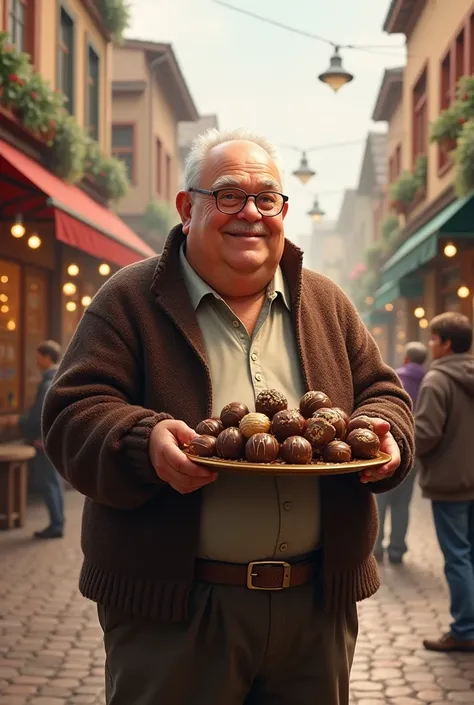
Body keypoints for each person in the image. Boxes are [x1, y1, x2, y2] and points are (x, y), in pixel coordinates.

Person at [42, 128, 414, 705]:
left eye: (267, 198)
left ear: (283, 211)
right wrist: (145, 441)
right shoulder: (129, 298)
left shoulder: (325, 300)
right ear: (187, 208)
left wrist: (387, 441)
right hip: (175, 611)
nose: (251, 213)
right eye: (229, 195)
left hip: (315, 610)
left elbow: (383, 393)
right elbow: (72, 413)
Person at [415, 312, 474, 652]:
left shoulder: (437, 381)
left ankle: (465, 629)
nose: (430, 344)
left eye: (434, 339)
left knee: (458, 557)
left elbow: (425, 434)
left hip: (451, 484)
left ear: (447, 343)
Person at [3, 341, 65, 538]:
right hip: (55, 439)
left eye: (38, 356)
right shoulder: (60, 377)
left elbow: (37, 419)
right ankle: (58, 522)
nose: (36, 361)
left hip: (44, 441)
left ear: (47, 357)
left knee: (49, 483)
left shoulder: (48, 383)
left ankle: (56, 524)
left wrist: (17, 421)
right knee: (54, 483)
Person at [375, 341, 427, 563]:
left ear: (406, 358)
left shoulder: (395, 380)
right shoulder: (429, 381)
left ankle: (376, 547)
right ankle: (397, 549)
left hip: (391, 447)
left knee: (381, 500)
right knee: (402, 503)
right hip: (414, 451)